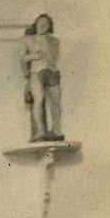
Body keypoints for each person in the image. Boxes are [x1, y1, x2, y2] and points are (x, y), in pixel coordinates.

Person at [21, 13, 64, 142]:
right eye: (40, 23)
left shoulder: (55, 41)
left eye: (46, 24)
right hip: (36, 72)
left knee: (56, 102)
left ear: (49, 26)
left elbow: (54, 57)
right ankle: (40, 131)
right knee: (38, 100)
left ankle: (57, 130)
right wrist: (33, 57)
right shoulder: (28, 40)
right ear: (36, 24)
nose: (42, 26)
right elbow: (22, 58)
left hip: (52, 71)